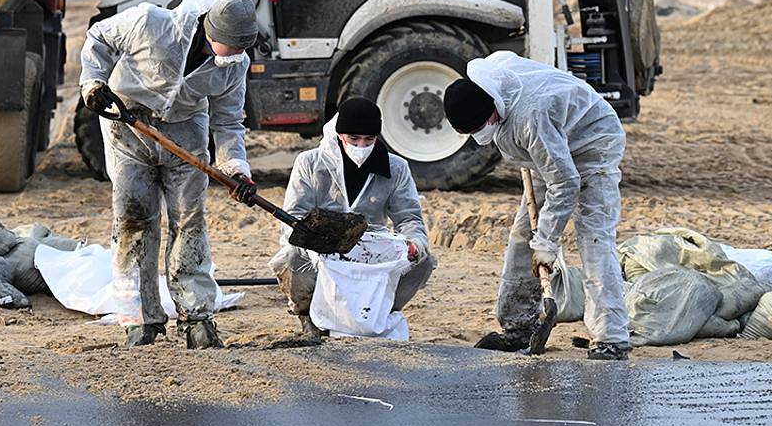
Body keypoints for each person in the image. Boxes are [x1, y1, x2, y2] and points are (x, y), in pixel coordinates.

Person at [80, 0, 258, 349]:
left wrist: (236, 168)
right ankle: (139, 319)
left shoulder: (236, 64)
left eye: (242, 49)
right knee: (134, 219)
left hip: (186, 131)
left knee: (190, 220)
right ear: (211, 32)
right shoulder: (150, 24)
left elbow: (228, 122)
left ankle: (196, 317)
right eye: (231, 47)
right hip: (128, 126)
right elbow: (99, 36)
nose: (235, 56)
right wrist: (93, 83)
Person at [442, 51, 630, 360]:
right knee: (522, 234)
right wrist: (537, 235)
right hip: (549, 145)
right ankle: (519, 326)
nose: (479, 135)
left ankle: (611, 339)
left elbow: (565, 182)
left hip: (593, 142)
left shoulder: (531, 116)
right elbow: (551, 165)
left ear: (493, 108)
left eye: (480, 127)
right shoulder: (492, 76)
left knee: (594, 238)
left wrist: (547, 242)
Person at [269, 97, 435, 342]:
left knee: (424, 262)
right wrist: (314, 246)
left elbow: (409, 217)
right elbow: (294, 215)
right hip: (321, 249)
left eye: (369, 140)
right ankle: (308, 318)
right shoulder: (310, 163)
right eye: (354, 139)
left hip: (370, 251)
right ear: (339, 135)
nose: (361, 146)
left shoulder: (396, 168)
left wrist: (415, 243)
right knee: (292, 257)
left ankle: (381, 311)